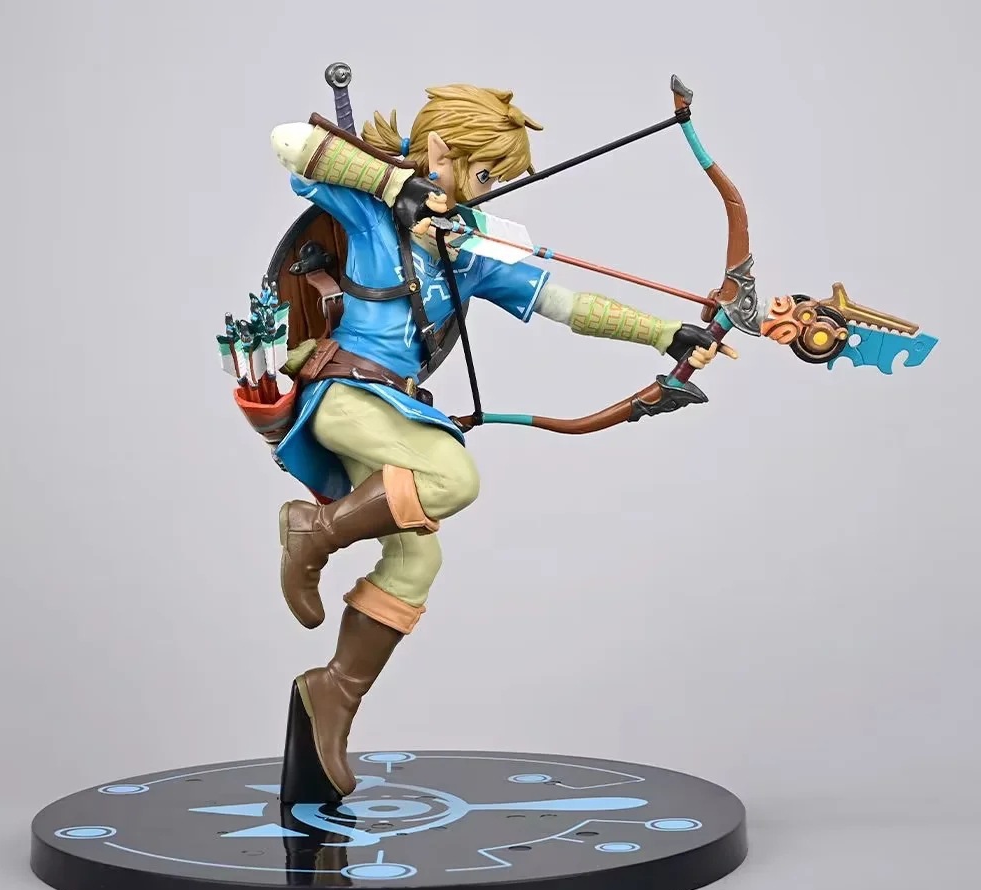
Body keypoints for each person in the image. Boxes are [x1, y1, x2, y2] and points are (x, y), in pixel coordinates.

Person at [265, 84, 737, 803]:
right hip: (346, 395)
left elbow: (565, 304)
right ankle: (314, 532)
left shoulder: (473, 246)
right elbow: (290, 142)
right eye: (485, 174)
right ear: (440, 151)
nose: (491, 190)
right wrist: (396, 187)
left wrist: (665, 333)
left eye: (499, 180)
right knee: (452, 479)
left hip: (398, 410)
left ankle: (333, 692)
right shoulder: (372, 208)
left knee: (416, 559)